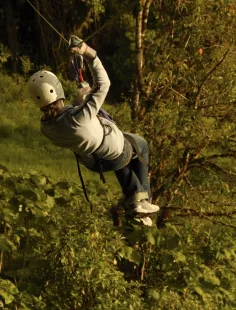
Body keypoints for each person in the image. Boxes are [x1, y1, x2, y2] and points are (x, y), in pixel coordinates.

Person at [28, 35, 160, 226]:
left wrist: (79, 102)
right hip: (113, 149)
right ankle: (142, 200)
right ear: (57, 89)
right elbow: (103, 85)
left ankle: (137, 204)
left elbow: (67, 119)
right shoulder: (79, 116)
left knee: (120, 156)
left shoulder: (46, 127)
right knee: (140, 145)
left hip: (94, 162)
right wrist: (89, 54)